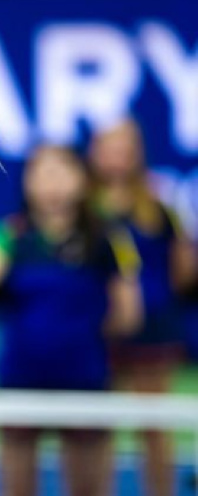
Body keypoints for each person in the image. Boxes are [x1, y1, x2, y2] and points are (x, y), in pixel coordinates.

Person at [0, 145, 142, 496]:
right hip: (21, 377)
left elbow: (127, 315)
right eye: (43, 173)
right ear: (28, 183)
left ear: (81, 179)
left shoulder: (108, 237)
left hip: (85, 378)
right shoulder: (10, 234)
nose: (52, 183)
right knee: (16, 487)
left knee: (89, 488)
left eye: (61, 172)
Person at [88, 119, 197, 496]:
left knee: (154, 425)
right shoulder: (82, 206)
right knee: (99, 426)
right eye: (109, 147)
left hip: (155, 330)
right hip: (101, 332)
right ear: (95, 152)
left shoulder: (162, 204)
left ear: (137, 153)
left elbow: (184, 269)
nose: (117, 156)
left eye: (125, 148)